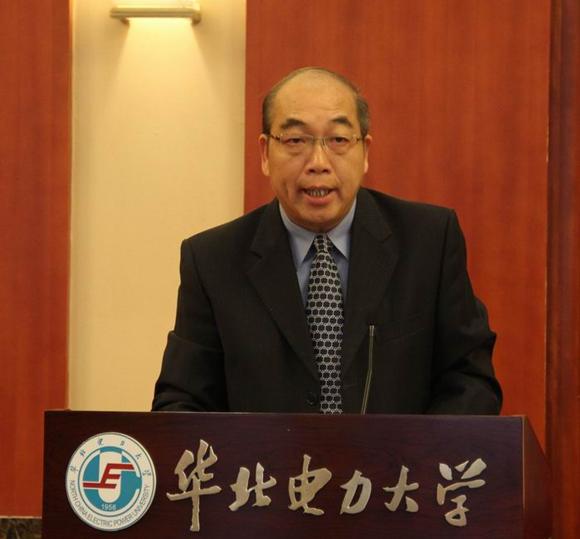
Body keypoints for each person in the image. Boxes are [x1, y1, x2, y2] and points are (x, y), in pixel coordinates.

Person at [152, 67, 502, 415]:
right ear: (265, 153)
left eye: (338, 140)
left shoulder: (429, 242)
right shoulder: (212, 261)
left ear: (365, 152)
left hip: (402, 455)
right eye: (295, 141)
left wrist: (419, 448)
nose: (318, 163)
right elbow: (181, 403)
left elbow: (470, 379)